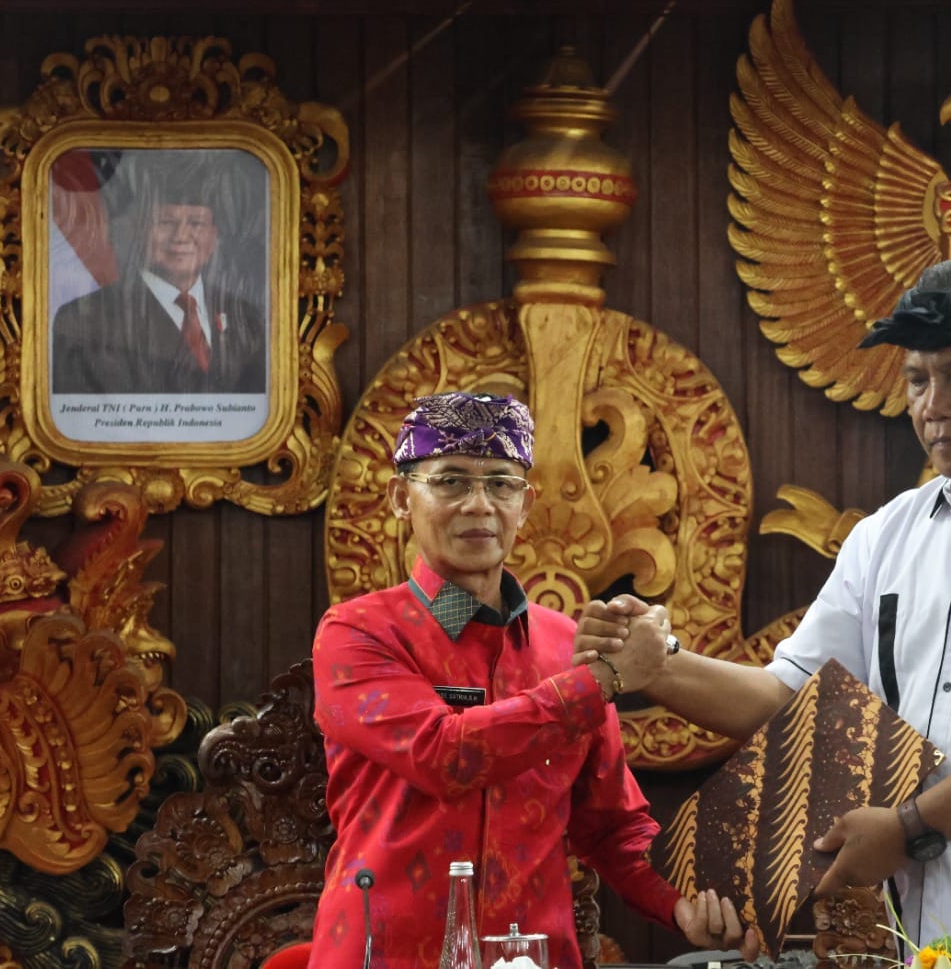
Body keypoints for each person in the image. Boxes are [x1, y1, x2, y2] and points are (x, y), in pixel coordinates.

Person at [577, 257, 951, 969]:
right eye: (918, 380)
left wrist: (909, 828)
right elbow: (792, 701)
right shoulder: (888, 534)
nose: (935, 406)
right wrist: (657, 666)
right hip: (939, 943)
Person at [309, 392, 758, 969]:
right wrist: (604, 680)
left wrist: (681, 904)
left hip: (535, 955)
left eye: (501, 484)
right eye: (450, 481)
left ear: (525, 505)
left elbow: (613, 827)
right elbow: (444, 754)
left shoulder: (566, 645)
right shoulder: (356, 632)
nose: (479, 504)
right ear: (401, 497)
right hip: (385, 956)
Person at [49, 155, 265, 396]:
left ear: (213, 237)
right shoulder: (85, 321)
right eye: (166, 222)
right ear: (142, 232)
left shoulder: (245, 318)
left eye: (196, 223)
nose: (180, 237)